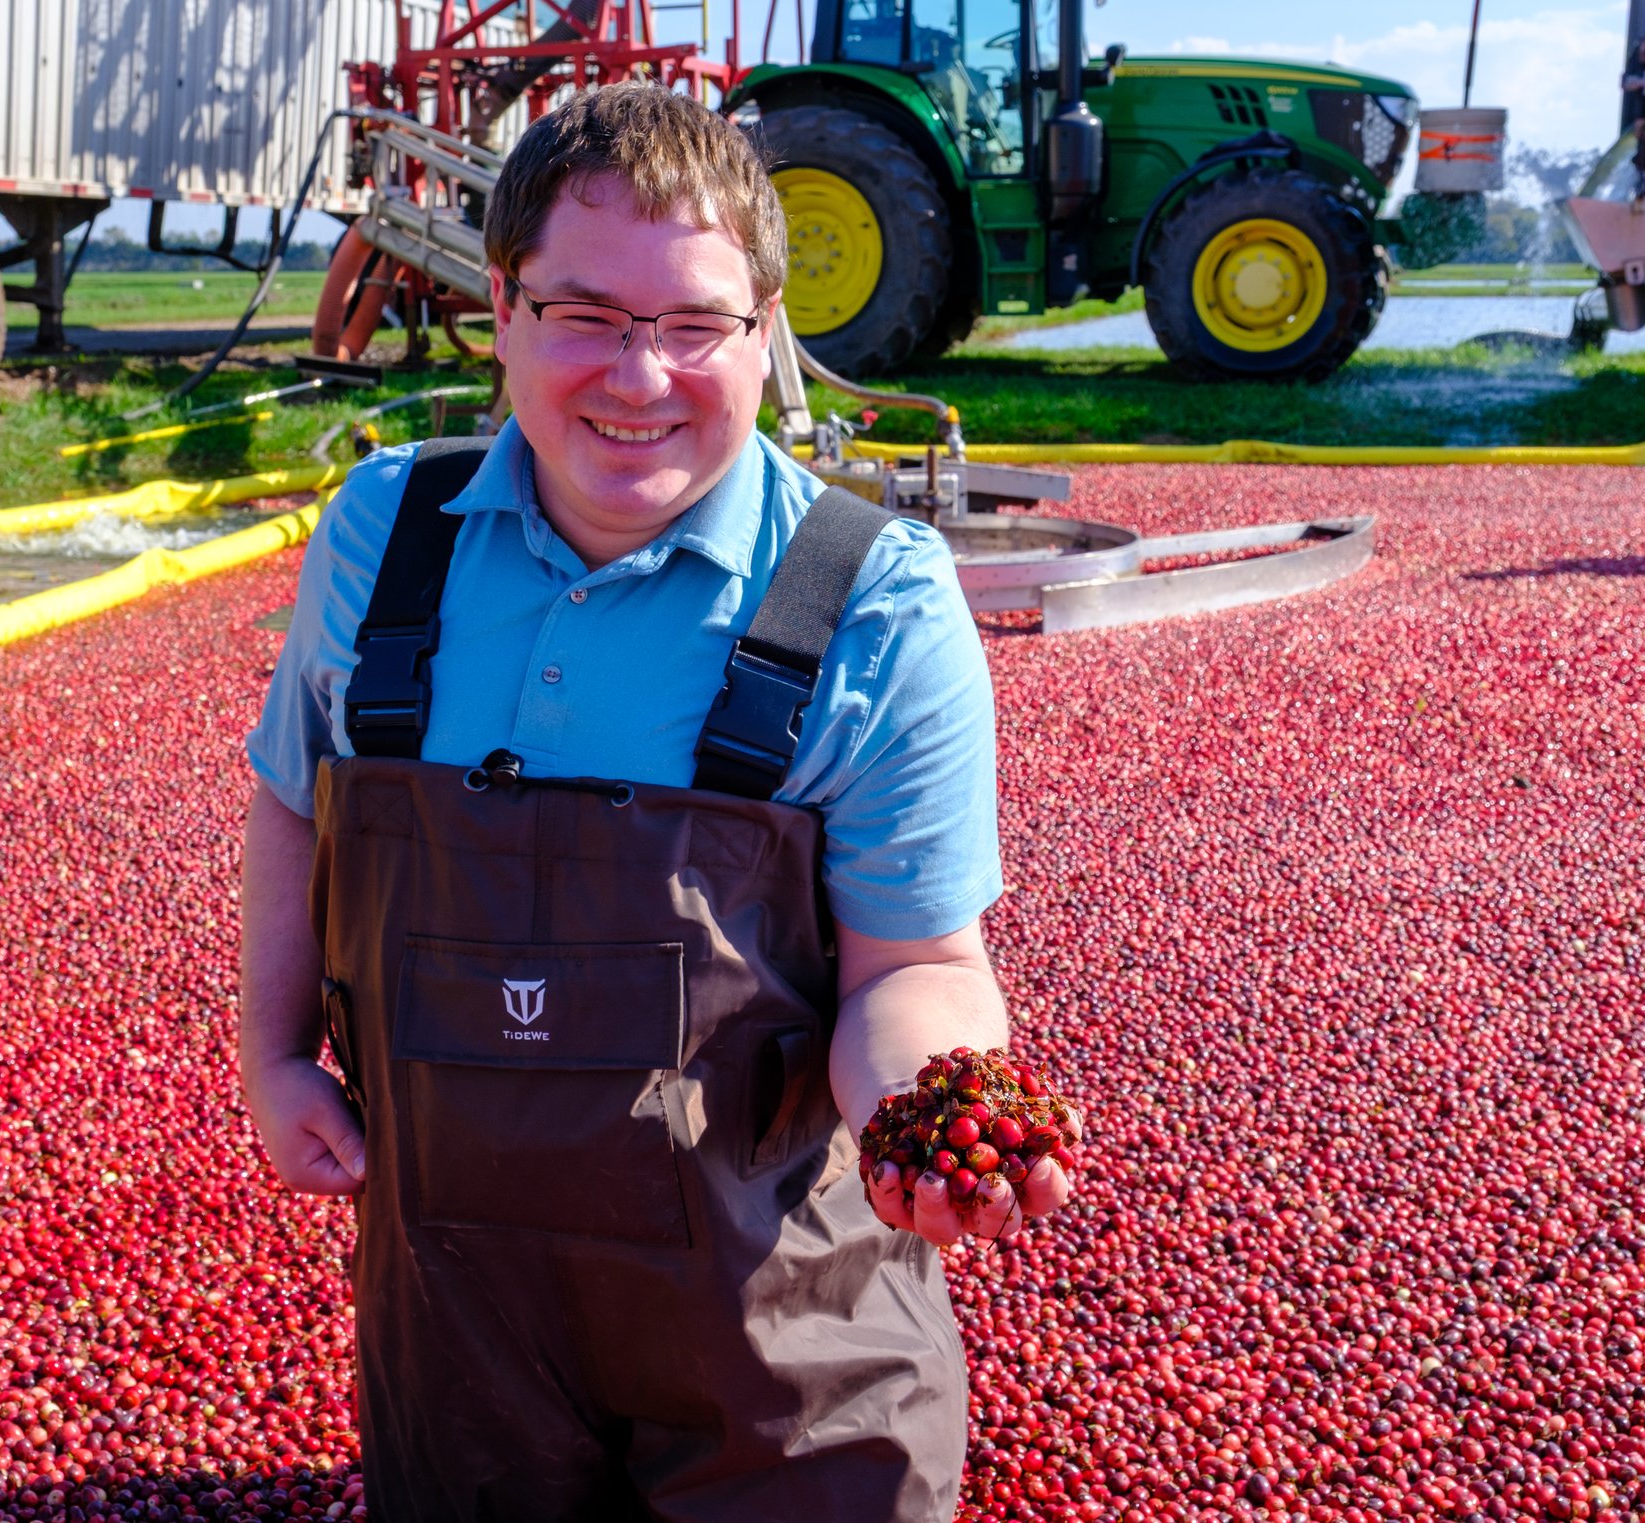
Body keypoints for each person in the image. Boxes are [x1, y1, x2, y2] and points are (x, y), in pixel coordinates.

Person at [236, 82, 1073, 1522]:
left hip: (781, 1335)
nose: (641, 377)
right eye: (586, 316)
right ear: (499, 310)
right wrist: (272, 1051)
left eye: (696, 324)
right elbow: (297, 803)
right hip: (459, 1326)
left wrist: (928, 1115)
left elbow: (918, 967)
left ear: (766, 333)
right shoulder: (383, 533)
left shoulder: (874, 595)